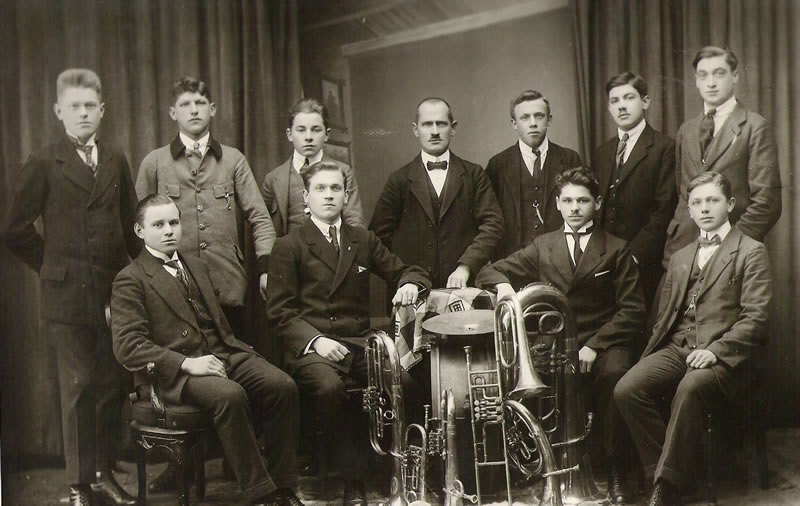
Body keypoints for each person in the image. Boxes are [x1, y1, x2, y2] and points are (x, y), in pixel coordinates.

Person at [111, 193, 303, 506]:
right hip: (175, 374)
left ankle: (284, 488)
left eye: (174, 222)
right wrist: (187, 363)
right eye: (158, 225)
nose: (169, 230)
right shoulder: (130, 279)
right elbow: (128, 346)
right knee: (230, 395)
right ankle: (262, 495)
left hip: (222, 352)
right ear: (139, 231)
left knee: (282, 386)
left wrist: (228, 353)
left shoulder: (196, 265)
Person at [2, 68, 138, 506]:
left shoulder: (115, 158)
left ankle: (104, 474)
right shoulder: (44, 162)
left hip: (113, 292)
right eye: (74, 106)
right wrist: (50, 267)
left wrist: (137, 278)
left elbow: (131, 225)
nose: (83, 113)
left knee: (112, 385)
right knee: (78, 388)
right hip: (66, 296)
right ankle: (79, 485)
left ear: (102, 111)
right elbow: (14, 229)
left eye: (90, 106)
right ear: (58, 112)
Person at [476, 167, 646, 505]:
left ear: (597, 203)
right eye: (567, 200)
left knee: (615, 376)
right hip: (554, 343)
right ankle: (544, 470)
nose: (574, 208)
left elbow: (633, 310)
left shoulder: (616, 248)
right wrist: (506, 289)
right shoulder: (543, 245)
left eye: (582, 200)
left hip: (603, 342)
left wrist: (594, 346)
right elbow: (488, 271)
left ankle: (616, 471)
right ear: (557, 203)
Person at [267, 161, 430, 506]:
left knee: (406, 381)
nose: (329, 195)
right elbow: (280, 312)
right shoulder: (289, 245)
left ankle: (403, 474)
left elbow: (406, 270)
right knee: (330, 389)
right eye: (320, 189)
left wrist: (409, 284)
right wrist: (317, 341)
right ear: (305, 197)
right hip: (312, 347)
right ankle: (353, 480)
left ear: (345, 195)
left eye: (335, 188)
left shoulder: (362, 239)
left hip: (358, 344)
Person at [614, 172, 772, 506]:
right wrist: (656, 349)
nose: (704, 208)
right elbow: (665, 315)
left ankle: (666, 488)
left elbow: (756, 318)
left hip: (724, 355)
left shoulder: (751, 251)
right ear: (689, 210)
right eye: (697, 202)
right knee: (627, 388)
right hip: (678, 348)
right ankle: (673, 472)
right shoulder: (681, 256)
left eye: (712, 200)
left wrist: (716, 351)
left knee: (690, 387)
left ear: (730, 204)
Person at [136, 76, 275, 341]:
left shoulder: (233, 160)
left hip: (227, 285)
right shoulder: (154, 162)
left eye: (200, 103)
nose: (194, 110)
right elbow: (138, 227)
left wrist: (266, 267)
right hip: (173, 288)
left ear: (212, 109)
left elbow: (260, 217)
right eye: (185, 104)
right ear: (173, 113)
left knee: (234, 358)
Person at [662, 46, 781, 270]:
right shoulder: (686, 130)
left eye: (719, 73)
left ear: (735, 76)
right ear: (696, 81)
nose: (711, 83)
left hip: (731, 257)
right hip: (681, 252)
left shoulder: (754, 127)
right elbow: (681, 193)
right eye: (703, 75)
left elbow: (767, 203)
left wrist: (727, 248)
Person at [370, 97, 503, 289]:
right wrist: (404, 276)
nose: (434, 131)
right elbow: (375, 241)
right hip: (411, 293)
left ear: (453, 128)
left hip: (464, 288)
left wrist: (466, 266)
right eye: (427, 124)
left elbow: (493, 225)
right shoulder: (398, 180)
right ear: (416, 129)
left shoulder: (474, 174)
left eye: (441, 124)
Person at [592, 72, 677, 311]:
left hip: (644, 261)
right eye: (615, 101)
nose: (622, 106)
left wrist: (634, 255)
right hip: (604, 262)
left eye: (629, 98)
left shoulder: (664, 148)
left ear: (645, 101)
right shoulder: (601, 152)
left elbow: (665, 210)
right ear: (609, 108)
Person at [486, 89, 583, 259]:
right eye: (525, 117)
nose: (533, 123)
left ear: (549, 120)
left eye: (539, 116)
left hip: (560, 260)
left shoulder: (570, 159)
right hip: (512, 261)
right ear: (514, 123)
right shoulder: (498, 165)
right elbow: (490, 218)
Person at [261, 97, 364, 238]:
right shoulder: (273, 179)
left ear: (326, 134)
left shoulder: (344, 172)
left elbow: (354, 222)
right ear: (290, 134)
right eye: (301, 130)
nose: (308, 137)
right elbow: (264, 227)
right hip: (289, 250)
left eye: (316, 130)